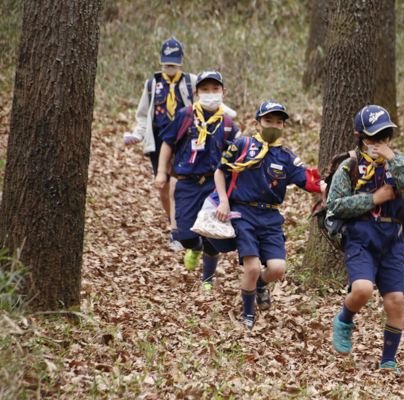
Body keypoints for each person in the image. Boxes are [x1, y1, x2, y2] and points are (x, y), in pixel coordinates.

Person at [325, 105, 404, 372]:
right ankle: (344, 321)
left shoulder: (396, 162)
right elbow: (335, 204)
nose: (379, 144)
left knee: (396, 300)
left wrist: (394, 159)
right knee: (363, 289)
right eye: (373, 139)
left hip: (392, 239)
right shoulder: (350, 165)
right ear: (359, 136)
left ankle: (388, 359)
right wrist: (372, 199)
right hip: (360, 237)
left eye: (385, 138)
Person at [213, 101, 322, 330]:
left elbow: (307, 179)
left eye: (278, 122)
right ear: (256, 123)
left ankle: (261, 285)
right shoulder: (242, 145)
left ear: (283, 126)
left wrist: (330, 186)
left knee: (277, 269)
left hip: (271, 218)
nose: (273, 125)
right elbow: (220, 171)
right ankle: (247, 313)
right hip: (244, 213)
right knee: (251, 268)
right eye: (268, 121)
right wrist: (223, 200)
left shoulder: (285, 156)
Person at [126, 38, 236, 251]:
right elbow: (143, 115)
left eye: (174, 63)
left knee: (180, 183)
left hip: (190, 138)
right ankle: (174, 225)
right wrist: (137, 135)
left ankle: (184, 229)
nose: (170, 68)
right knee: (164, 186)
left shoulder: (190, 81)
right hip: (161, 140)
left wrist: (229, 117)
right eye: (167, 63)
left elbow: (216, 99)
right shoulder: (152, 85)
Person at [155, 70, 239, 291]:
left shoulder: (228, 123)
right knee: (185, 234)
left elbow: (237, 154)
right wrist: (161, 172)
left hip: (214, 183)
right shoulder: (186, 116)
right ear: (196, 93)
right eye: (205, 89)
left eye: (215, 89)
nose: (210, 93)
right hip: (187, 183)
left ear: (223, 92)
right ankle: (194, 247)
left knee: (212, 232)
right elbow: (167, 143)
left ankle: (207, 278)